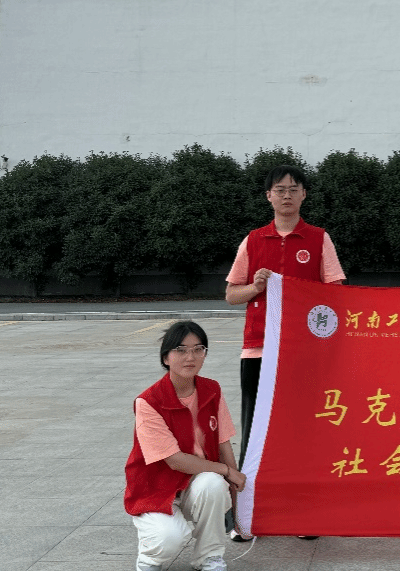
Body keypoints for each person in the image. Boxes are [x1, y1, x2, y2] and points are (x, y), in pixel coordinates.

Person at [225, 165, 345, 465]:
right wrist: (255, 287)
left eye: (293, 190)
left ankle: (305, 477)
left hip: (304, 349)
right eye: (280, 190)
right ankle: (251, 485)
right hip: (259, 349)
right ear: (269, 196)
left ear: (304, 194)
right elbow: (231, 295)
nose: (287, 195)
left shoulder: (319, 239)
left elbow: (336, 293)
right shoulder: (253, 240)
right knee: (256, 423)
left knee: (306, 418)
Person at [125, 320, 244, 571]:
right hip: (157, 488)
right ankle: (148, 559)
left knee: (213, 485)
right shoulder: (148, 402)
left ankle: (209, 557)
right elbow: (175, 460)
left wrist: (237, 499)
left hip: (197, 483)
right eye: (181, 350)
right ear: (166, 357)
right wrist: (225, 471)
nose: (190, 357)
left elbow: (223, 441)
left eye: (198, 349)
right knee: (169, 539)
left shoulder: (211, 389)